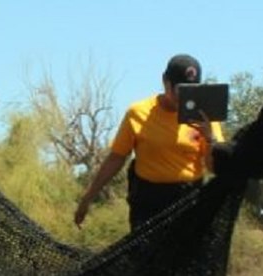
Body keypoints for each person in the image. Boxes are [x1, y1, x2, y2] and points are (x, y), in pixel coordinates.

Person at [74, 54, 225, 232]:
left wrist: (209, 137)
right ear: (165, 81)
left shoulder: (205, 116)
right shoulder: (137, 113)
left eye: (191, 90)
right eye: (179, 89)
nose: (182, 96)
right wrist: (88, 198)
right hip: (148, 203)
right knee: (144, 258)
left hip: (189, 202)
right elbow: (116, 158)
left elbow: (213, 168)